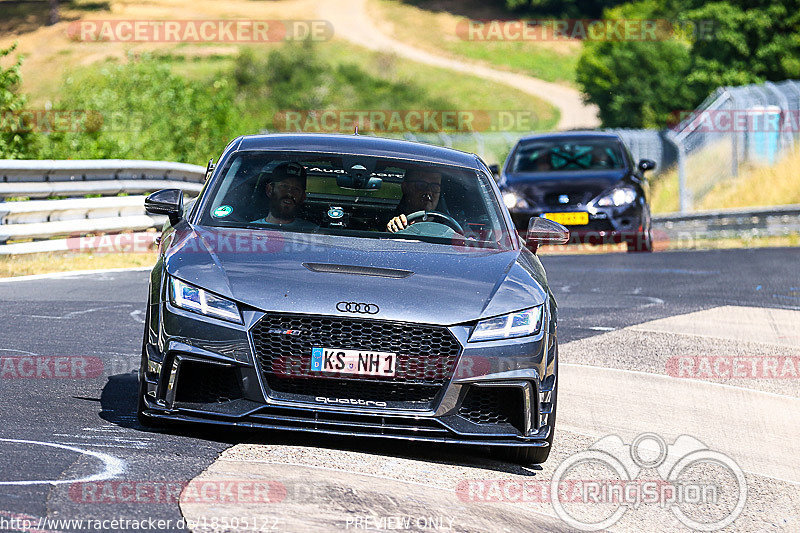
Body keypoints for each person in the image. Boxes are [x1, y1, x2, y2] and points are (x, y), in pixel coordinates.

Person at [252, 162, 318, 230]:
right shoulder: (249, 230)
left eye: (296, 189)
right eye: (284, 186)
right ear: (270, 190)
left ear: (303, 197)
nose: (290, 193)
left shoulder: (313, 231)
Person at [386, 168, 443, 232]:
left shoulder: (448, 230)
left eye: (435, 187)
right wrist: (391, 230)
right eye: (421, 185)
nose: (428, 192)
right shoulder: (386, 222)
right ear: (405, 187)